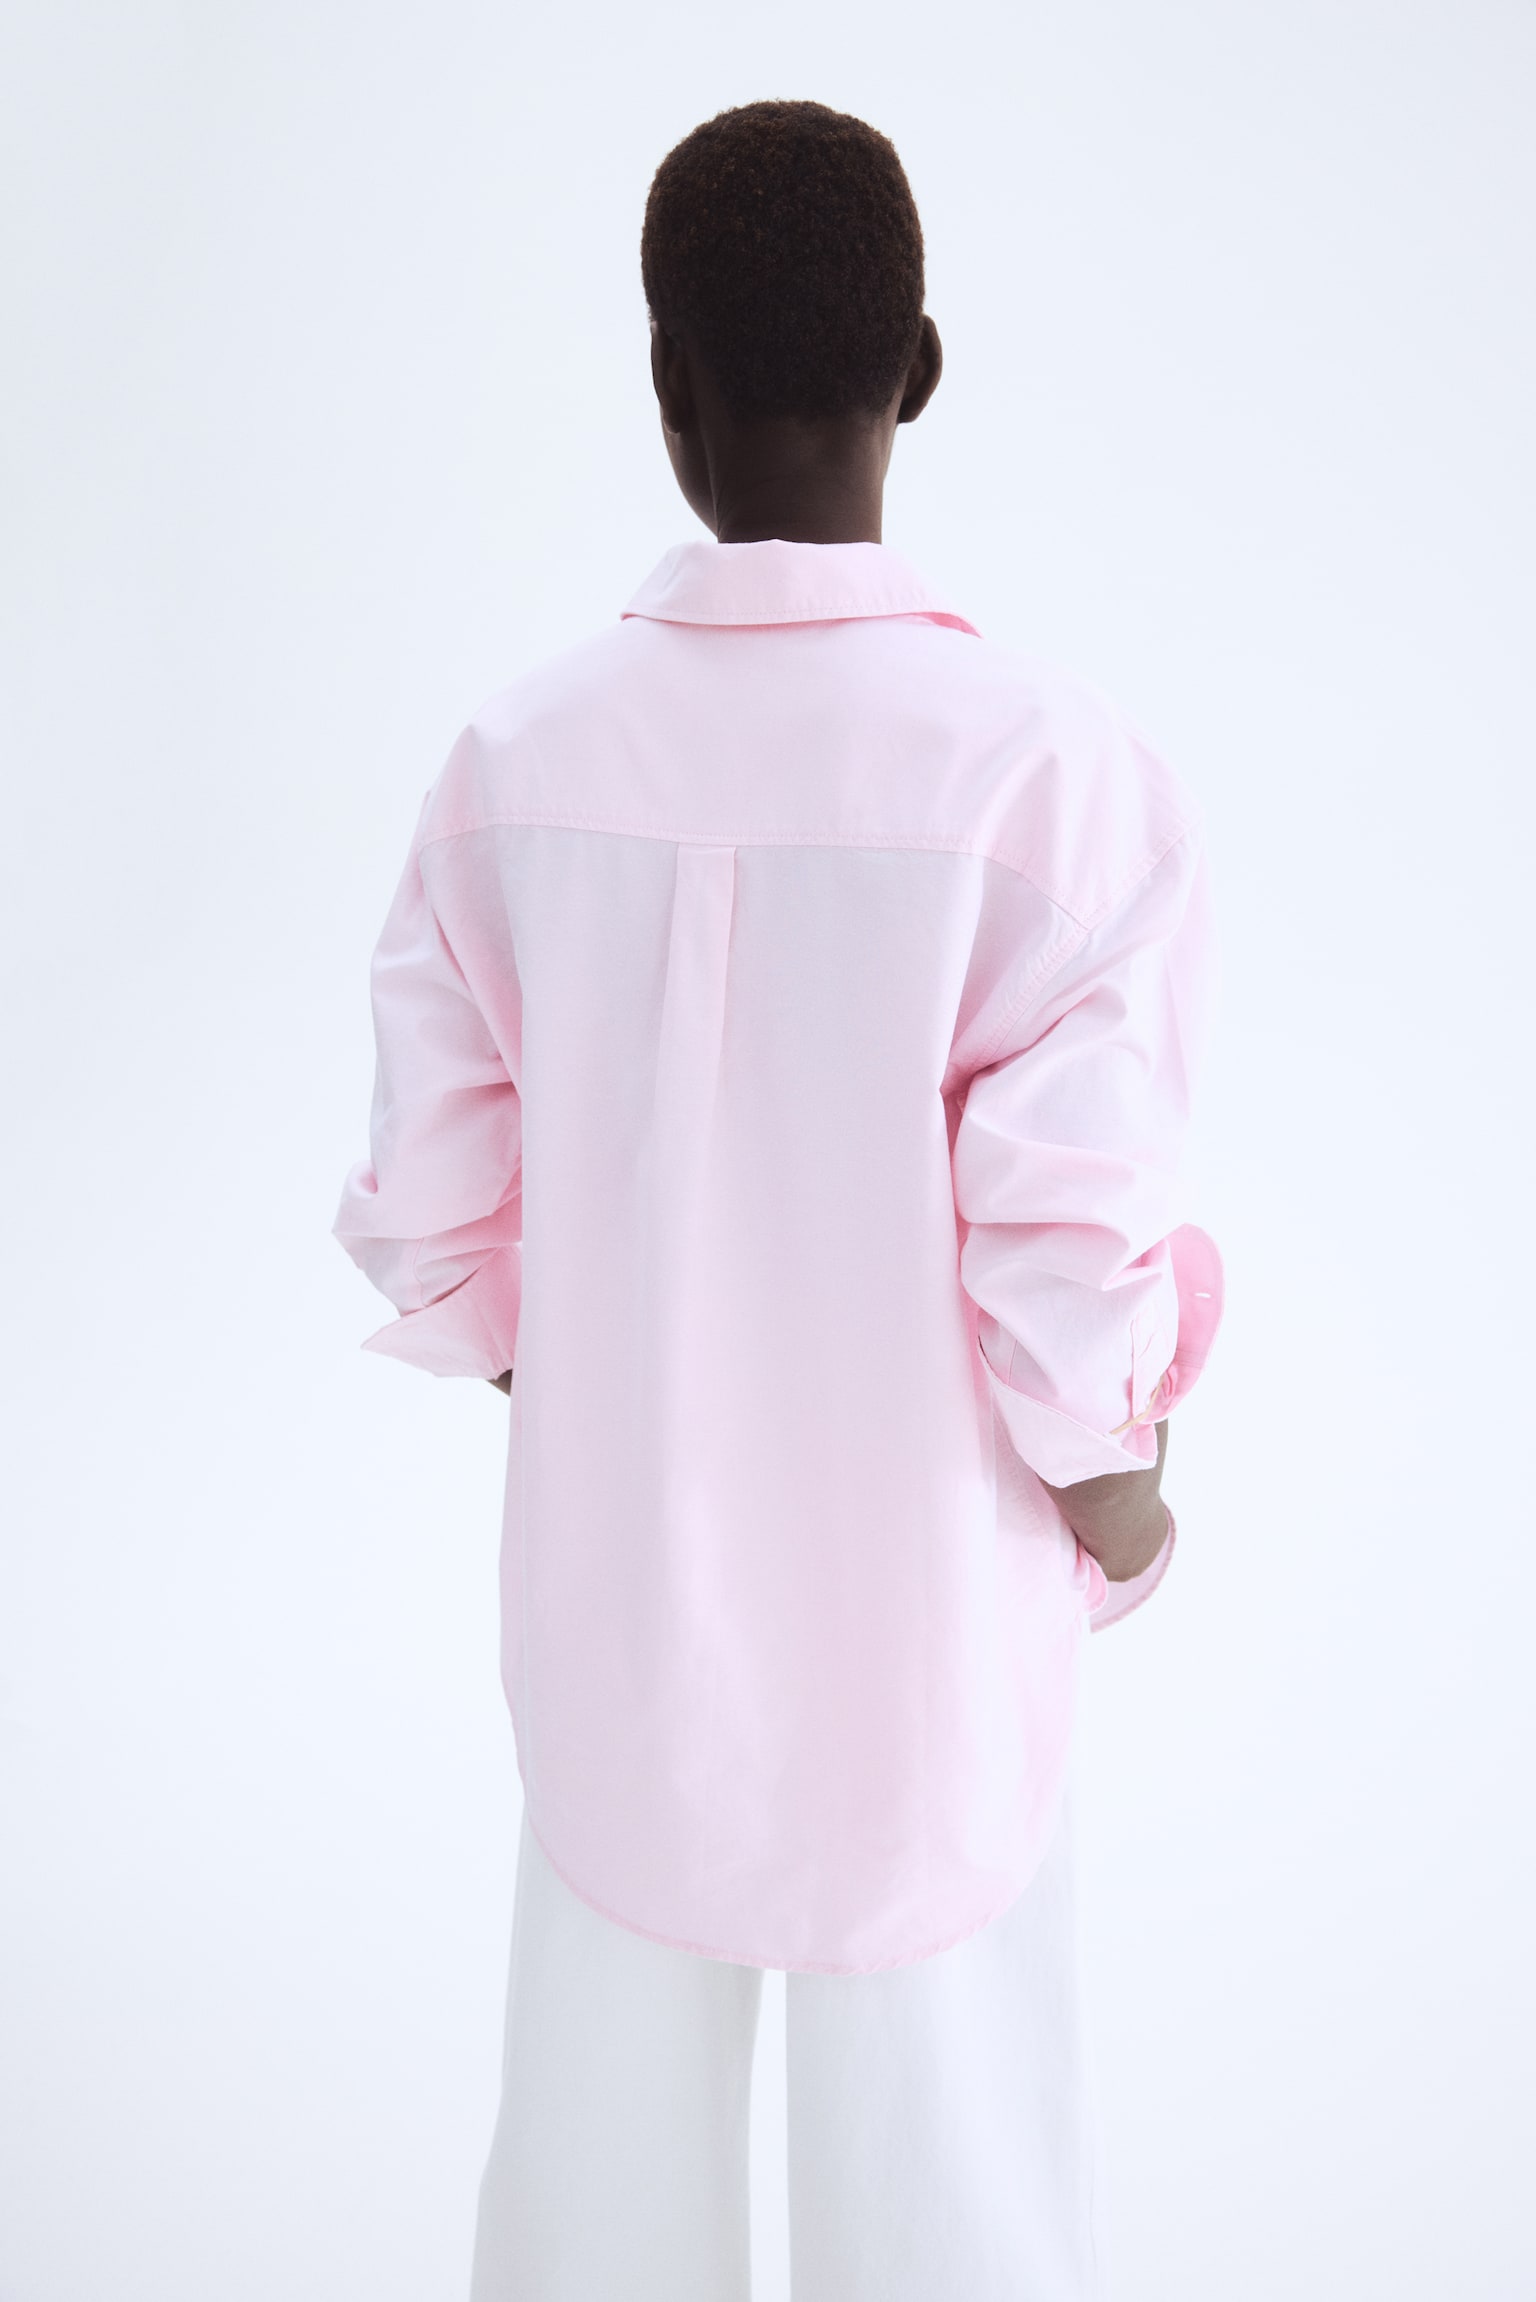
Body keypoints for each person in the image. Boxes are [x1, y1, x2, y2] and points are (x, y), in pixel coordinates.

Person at [333, 97, 1223, 2302]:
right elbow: (1062, 1267)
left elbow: (439, 1218)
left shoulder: (513, 769)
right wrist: (1124, 1510)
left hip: (621, 1615)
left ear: (666, 382)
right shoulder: (1051, 779)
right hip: (936, 1637)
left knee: (593, 2183)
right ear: (920, 367)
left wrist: (630, 1356)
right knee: (956, 2189)